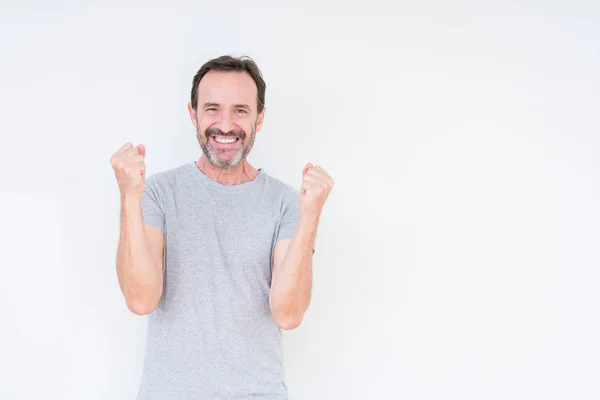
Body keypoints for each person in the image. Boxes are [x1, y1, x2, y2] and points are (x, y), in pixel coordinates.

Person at [110, 55, 334, 399]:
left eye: (240, 111)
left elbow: (288, 314)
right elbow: (141, 300)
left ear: (259, 119)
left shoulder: (287, 203)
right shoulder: (157, 192)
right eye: (212, 109)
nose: (225, 125)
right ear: (193, 114)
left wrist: (311, 217)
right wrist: (129, 196)